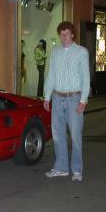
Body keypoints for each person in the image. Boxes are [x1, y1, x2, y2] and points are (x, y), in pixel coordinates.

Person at [43, 21, 90, 182]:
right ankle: (61, 168)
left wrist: (83, 101)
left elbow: (86, 78)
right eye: (61, 34)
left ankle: (77, 170)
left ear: (73, 34)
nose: (64, 37)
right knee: (57, 135)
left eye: (67, 34)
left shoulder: (81, 52)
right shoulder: (55, 52)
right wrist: (47, 97)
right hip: (57, 98)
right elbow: (51, 75)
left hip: (74, 99)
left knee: (76, 136)